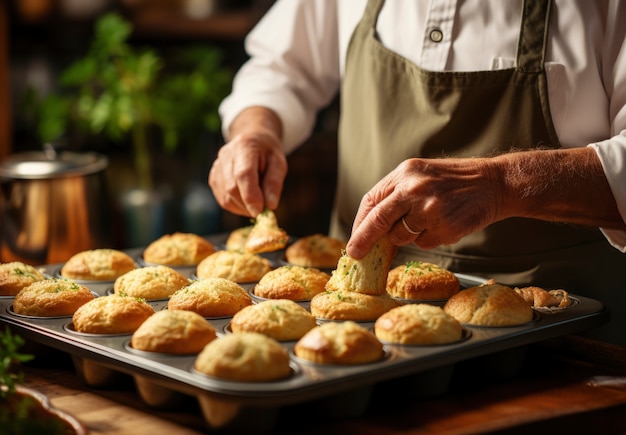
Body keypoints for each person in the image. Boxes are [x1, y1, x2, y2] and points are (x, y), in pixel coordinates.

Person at [208, 0, 626, 345]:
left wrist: (502, 185)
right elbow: (281, 68)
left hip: (557, 331)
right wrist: (256, 132)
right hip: (346, 332)